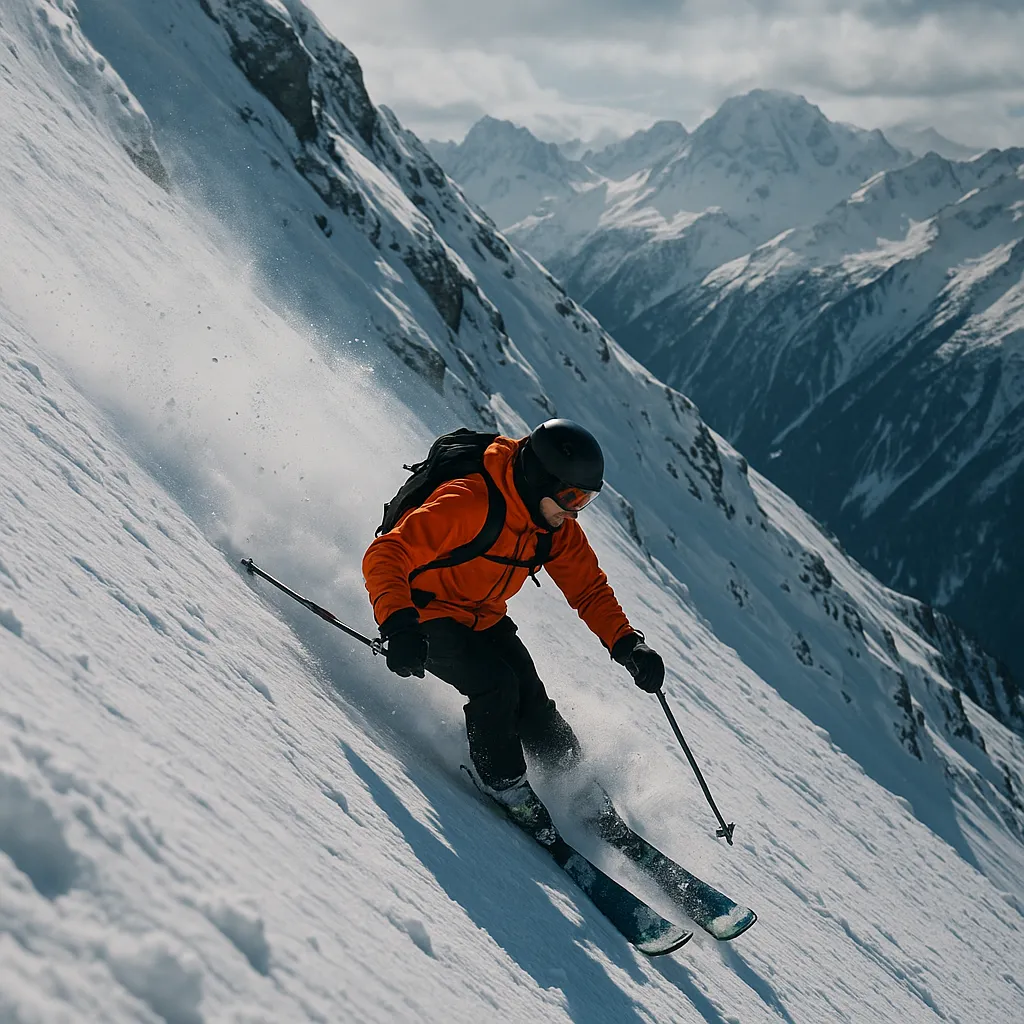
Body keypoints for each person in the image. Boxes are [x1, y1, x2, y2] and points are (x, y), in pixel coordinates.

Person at [362, 419, 665, 842]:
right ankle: (504, 783)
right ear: (539, 479)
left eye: (587, 499)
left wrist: (628, 643)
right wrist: (398, 623)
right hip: (423, 613)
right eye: (570, 496)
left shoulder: (554, 527)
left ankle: (578, 790)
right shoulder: (470, 502)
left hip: (483, 616)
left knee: (534, 704)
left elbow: (589, 589)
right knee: (496, 685)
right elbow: (386, 552)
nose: (575, 510)